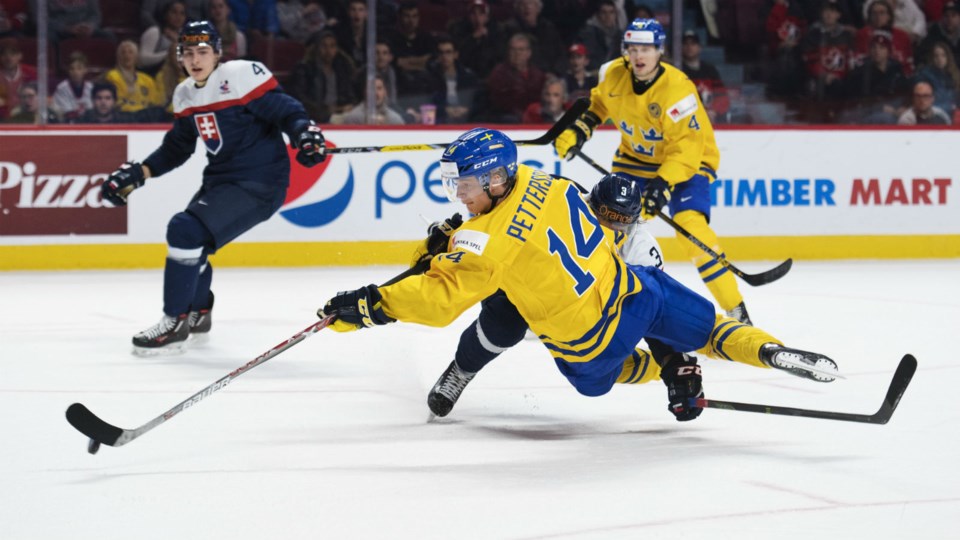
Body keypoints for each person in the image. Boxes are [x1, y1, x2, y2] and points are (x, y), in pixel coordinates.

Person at [318, 129, 839, 423]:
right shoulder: (551, 182)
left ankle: (667, 371)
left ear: (497, 179)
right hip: (633, 293)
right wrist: (452, 238)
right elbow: (500, 230)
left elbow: (438, 297)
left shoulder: (489, 240)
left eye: (465, 183)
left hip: (585, 340)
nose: (458, 192)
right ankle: (769, 351)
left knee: (590, 377)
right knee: (710, 330)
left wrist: (369, 307)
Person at [99, 21, 326, 355]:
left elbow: (285, 110)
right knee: (195, 243)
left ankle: (174, 321)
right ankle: (198, 311)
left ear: (218, 53)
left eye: (203, 51)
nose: (195, 59)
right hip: (220, 181)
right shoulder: (185, 93)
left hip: (260, 182)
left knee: (184, 229)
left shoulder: (239, 75)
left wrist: (303, 133)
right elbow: (177, 148)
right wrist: (140, 172)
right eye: (188, 52)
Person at [553, 18, 754, 325]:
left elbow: (686, 147)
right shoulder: (612, 74)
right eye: (633, 48)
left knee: (691, 227)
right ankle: (575, 304)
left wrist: (662, 185)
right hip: (634, 159)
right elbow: (599, 104)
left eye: (646, 48)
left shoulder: (678, 90)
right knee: (602, 224)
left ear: (660, 51)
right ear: (625, 50)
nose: (639, 55)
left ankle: (736, 309)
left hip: (689, 161)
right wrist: (581, 128)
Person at [424, 172, 666, 417]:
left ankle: (660, 368)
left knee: (601, 361)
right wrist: (461, 237)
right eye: (605, 219)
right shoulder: (561, 198)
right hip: (529, 283)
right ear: (589, 204)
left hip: (584, 315)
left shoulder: (642, 253)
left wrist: (672, 364)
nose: (613, 228)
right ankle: (462, 370)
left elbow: (655, 314)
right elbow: (502, 212)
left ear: (635, 223)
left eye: (621, 223)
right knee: (504, 324)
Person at [104, 40, 164, 113]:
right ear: (118, 57)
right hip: (122, 116)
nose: (127, 56)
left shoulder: (147, 79)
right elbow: (117, 103)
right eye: (123, 52)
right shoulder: (112, 76)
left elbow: (154, 102)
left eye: (130, 52)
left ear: (136, 56)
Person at [53, 51, 93, 122]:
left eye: (79, 68)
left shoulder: (91, 87)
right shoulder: (62, 88)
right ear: (68, 70)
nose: (75, 72)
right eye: (72, 69)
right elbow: (65, 113)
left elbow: (92, 110)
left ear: (85, 70)